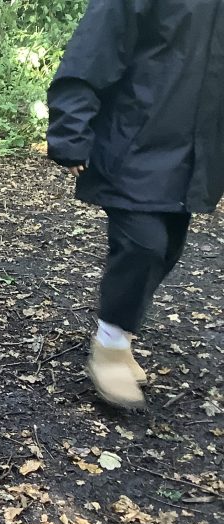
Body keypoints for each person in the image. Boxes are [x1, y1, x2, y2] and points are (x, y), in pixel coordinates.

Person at [46, 0, 224, 410]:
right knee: (143, 245)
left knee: (168, 248)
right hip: (131, 142)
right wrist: (71, 131)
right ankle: (108, 349)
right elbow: (92, 50)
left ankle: (119, 340)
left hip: (192, 152)